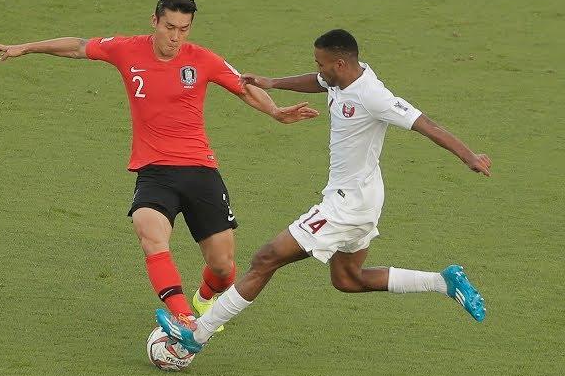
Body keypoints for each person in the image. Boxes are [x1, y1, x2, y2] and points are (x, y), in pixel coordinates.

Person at [0, 0, 319, 332]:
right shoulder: (126, 49)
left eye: (184, 29)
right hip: (154, 172)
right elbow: (78, 45)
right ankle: (184, 317)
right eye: (169, 27)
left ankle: (205, 298)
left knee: (223, 266)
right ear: (155, 21)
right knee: (148, 229)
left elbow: (244, 87)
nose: (175, 37)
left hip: (200, 170)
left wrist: (276, 111)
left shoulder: (202, 59)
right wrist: (26, 47)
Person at [156, 28, 491, 353]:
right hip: (363, 197)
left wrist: (469, 156)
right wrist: (273, 83)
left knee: (266, 258)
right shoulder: (344, 75)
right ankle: (443, 282)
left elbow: (425, 124)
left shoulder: (373, 95)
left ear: (340, 65)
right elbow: (318, 82)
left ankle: (198, 334)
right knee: (348, 279)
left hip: (349, 204)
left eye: (321, 64)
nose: (318, 70)